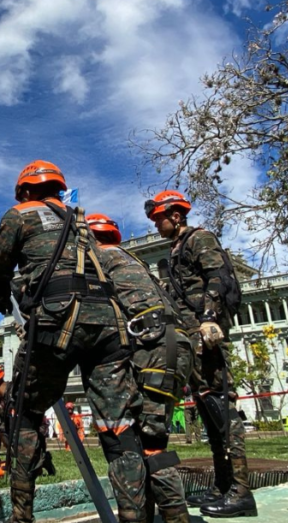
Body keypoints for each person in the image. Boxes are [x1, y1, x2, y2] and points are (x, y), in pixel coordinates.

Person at [0, 160, 146, 523]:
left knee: (24, 412)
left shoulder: (19, 214)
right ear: (58, 188)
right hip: (109, 325)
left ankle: (22, 517)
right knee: (118, 425)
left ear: (25, 190)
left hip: (57, 323)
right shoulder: (81, 221)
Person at [148, 190, 255, 518]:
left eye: (159, 219)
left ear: (176, 215)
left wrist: (209, 318)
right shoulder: (177, 248)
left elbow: (217, 278)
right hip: (190, 336)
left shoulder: (200, 238)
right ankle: (222, 486)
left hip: (205, 334)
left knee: (221, 408)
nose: (156, 225)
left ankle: (241, 492)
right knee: (208, 409)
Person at [88, 212, 194, 523]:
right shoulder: (129, 260)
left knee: (132, 445)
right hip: (174, 344)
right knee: (153, 443)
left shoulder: (98, 259)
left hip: (152, 348)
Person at [0, 364, 55, 476]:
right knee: (2, 431)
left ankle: (41, 458)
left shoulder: (17, 392)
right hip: (15, 433)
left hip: (33, 430)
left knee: (29, 473)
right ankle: (22, 460)